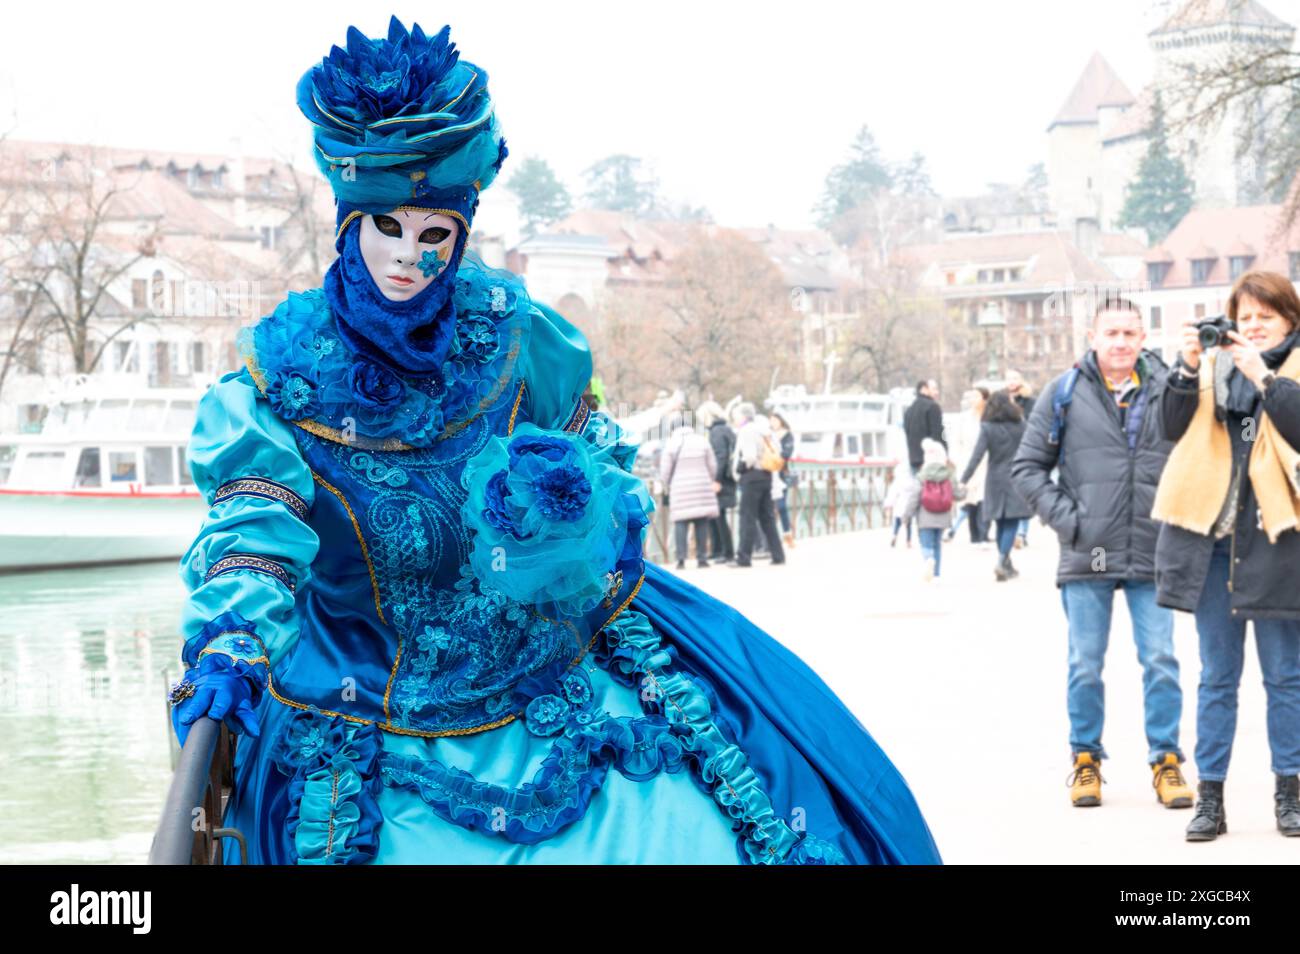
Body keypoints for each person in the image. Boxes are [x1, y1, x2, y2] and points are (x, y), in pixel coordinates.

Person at [164, 16, 940, 866]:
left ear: (461, 235)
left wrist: (570, 512)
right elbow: (254, 537)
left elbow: (599, 465)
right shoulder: (276, 380)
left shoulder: (520, 337)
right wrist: (232, 637)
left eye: (435, 237)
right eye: (385, 229)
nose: (406, 260)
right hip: (370, 709)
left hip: (555, 667)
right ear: (349, 224)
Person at [1012, 297, 1190, 811]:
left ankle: (1166, 761)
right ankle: (1086, 760)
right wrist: (1071, 521)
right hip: (1087, 554)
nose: (1121, 342)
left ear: (1142, 338)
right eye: (1111, 332)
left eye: (1130, 333)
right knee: (1085, 664)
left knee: (1161, 660)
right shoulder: (1063, 392)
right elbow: (1027, 467)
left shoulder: (1168, 389)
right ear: (1092, 337)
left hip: (1152, 549)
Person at [1153, 270, 1300, 842]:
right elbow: (1168, 426)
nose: (1254, 325)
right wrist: (1188, 366)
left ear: (1289, 320)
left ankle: (1289, 793)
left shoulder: (1285, 371)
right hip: (1213, 545)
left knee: (1287, 676)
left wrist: (1261, 375)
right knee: (1217, 677)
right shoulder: (1210, 367)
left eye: (1266, 316)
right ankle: (1209, 797)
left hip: (1278, 540)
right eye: (1244, 317)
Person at [960, 391, 1031, 582]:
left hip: (994, 478)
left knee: (1000, 521)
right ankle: (1002, 561)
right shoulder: (1021, 425)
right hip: (1016, 476)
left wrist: (964, 479)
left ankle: (1005, 563)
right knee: (1012, 522)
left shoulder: (987, 427)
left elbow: (977, 455)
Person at [660, 413, 720, 570]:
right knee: (701, 521)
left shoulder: (671, 443)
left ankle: (680, 559)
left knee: (681, 522)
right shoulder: (702, 440)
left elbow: (665, 471)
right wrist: (709, 478)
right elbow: (713, 465)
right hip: (702, 485)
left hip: (680, 487)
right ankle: (702, 558)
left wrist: (667, 483)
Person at [732, 402, 787, 568]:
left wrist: (740, 468)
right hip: (766, 475)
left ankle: (744, 556)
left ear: (743, 416)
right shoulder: (764, 429)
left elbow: (749, 456)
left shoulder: (747, 430)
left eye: (736, 416)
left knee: (747, 517)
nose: (735, 419)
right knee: (767, 517)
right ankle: (778, 554)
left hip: (752, 476)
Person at [901, 439, 956, 581]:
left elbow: (914, 498)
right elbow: (956, 493)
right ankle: (936, 575)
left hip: (925, 518)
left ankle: (928, 560)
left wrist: (906, 516)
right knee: (937, 544)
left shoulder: (921, 476)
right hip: (943, 516)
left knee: (926, 544)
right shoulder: (948, 475)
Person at [946, 387, 989, 544]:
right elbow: (955, 443)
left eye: (976, 396)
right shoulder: (962, 419)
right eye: (971, 397)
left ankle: (983, 534)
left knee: (984, 498)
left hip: (986, 464)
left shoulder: (989, 417)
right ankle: (975, 536)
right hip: (967, 463)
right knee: (970, 501)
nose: (973, 400)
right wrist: (959, 461)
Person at [698, 401, 736, 563]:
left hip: (721, 479)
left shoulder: (717, 432)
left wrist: (717, 479)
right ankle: (718, 550)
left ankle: (725, 552)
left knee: (719, 516)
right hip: (726, 478)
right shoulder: (724, 429)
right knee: (716, 515)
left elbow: (720, 456)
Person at [1005, 370, 1035, 549]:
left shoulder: (1029, 401)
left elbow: (1034, 423)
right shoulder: (1000, 400)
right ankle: (1014, 530)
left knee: (1023, 490)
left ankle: (1022, 532)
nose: (1011, 382)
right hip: (1007, 450)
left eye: (1015, 378)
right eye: (1009, 378)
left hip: (1024, 448)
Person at [902, 379, 945, 474]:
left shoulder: (909, 410)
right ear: (924, 389)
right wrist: (945, 455)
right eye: (934, 389)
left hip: (913, 461)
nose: (937, 392)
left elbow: (907, 433)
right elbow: (938, 434)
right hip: (931, 462)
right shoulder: (933, 407)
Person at [770, 412, 797, 549]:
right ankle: (771, 538)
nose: (773, 423)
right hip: (769, 473)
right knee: (769, 508)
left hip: (781, 473)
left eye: (775, 420)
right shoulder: (768, 435)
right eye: (771, 420)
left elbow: (787, 453)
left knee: (781, 506)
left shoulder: (787, 435)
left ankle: (787, 534)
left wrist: (775, 456)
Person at [884, 463, 916, 548]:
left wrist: (888, 504)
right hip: (909, 506)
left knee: (897, 523)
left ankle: (894, 536)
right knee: (908, 525)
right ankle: (908, 541)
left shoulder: (897, 482)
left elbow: (892, 495)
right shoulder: (912, 480)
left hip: (899, 505)